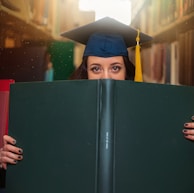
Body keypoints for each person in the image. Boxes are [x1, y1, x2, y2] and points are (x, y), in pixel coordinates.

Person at [0, 16, 192, 171]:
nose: (106, 77)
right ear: (86, 71)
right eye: (96, 68)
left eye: (115, 68)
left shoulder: (152, 110)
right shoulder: (60, 110)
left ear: (127, 71)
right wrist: (11, 156)